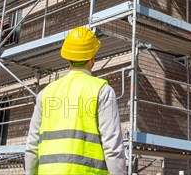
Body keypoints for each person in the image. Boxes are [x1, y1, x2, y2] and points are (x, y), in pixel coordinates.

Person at [25, 26, 126, 174]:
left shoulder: (45, 93)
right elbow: (113, 147)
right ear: (93, 58)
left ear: (67, 57)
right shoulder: (102, 91)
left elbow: (32, 146)